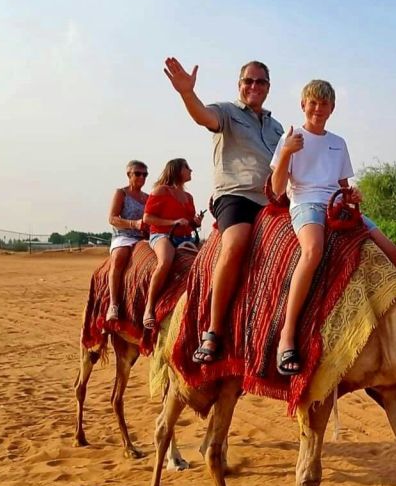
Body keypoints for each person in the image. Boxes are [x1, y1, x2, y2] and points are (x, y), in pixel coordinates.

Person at [269, 79, 396, 375]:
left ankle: (376, 319)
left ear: (332, 108)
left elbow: (343, 186)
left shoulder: (338, 142)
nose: (318, 108)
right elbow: (278, 189)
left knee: (393, 252)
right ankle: (287, 336)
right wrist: (287, 152)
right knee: (313, 251)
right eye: (312, 103)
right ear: (303, 105)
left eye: (324, 103)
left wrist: (353, 196)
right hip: (305, 202)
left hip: (337, 204)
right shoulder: (291, 137)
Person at [163, 57, 283, 363]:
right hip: (236, 196)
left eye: (260, 81)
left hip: (271, 201)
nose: (253, 86)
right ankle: (213, 330)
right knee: (237, 242)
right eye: (248, 81)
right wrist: (187, 94)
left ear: (268, 87)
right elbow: (203, 116)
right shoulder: (227, 113)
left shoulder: (277, 127)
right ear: (240, 85)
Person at [141, 158, 202, 329]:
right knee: (165, 261)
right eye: (187, 167)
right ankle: (149, 307)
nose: (191, 170)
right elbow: (147, 218)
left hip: (185, 238)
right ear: (177, 170)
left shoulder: (188, 197)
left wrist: (195, 222)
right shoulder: (161, 191)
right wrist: (173, 222)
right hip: (162, 235)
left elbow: (189, 222)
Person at [106, 160, 150, 323]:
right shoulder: (121, 193)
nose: (142, 177)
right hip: (123, 236)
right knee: (119, 258)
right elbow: (112, 218)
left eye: (145, 174)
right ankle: (113, 304)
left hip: (142, 237)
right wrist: (134, 224)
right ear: (128, 175)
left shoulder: (148, 197)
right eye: (138, 173)